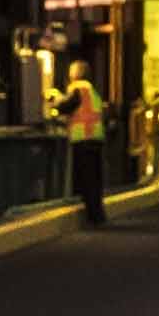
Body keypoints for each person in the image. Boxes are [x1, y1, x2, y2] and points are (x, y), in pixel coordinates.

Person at [62, 69, 116, 228]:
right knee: (95, 179)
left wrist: (54, 101)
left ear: (76, 74)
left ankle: (94, 216)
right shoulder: (93, 92)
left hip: (82, 140)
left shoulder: (77, 90)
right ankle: (98, 215)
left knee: (87, 180)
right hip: (96, 139)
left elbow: (64, 106)